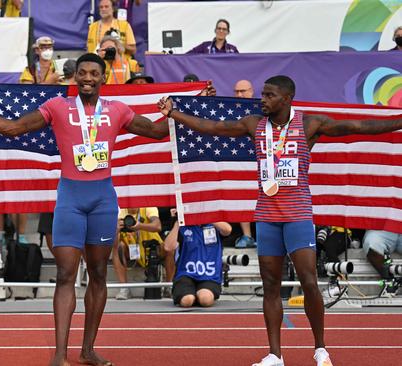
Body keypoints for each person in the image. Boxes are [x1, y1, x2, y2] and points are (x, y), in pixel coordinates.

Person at [158, 75, 402, 366]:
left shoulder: (310, 124)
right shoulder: (254, 125)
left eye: (269, 95)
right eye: (263, 94)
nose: (263, 99)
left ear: (287, 99)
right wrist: (173, 112)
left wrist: (399, 120)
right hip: (267, 215)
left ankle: (320, 348)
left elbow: (360, 127)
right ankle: (275, 354)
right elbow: (213, 127)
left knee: (310, 282)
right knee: (271, 285)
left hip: (298, 214)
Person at [0, 53, 180, 366]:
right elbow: (12, 128)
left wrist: (180, 112)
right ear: (76, 77)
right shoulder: (58, 106)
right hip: (70, 200)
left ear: (103, 78)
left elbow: (156, 132)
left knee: (100, 274)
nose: (87, 78)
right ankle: (59, 356)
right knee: (65, 275)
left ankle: (87, 350)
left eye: (93, 74)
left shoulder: (117, 110)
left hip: (103, 200)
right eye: (83, 73)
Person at [164, 209, 231, 308]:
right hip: (186, 274)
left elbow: (227, 230)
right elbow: (168, 247)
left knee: (206, 300)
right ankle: (189, 294)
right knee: (187, 301)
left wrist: (207, 215)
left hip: (209, 275)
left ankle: (197, 295)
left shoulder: (214, 225)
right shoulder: (183, 227)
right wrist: (178, 221)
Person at [113, 207, 173, 300]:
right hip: (131, 250)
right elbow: (112, 244)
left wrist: (140, 226)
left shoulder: (148, 207)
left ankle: (168, 287)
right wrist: (115, 230)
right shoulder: (119, 211)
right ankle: (124, 288)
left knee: (169, 249)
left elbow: (158, 226)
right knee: (118, 248)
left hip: (152, 246)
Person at [233, 79, 257, 249]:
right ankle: (247, 235)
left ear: (252, 91)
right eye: (236, 91)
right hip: (240, 158)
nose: (239, 95)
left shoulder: (262, 107)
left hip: (263, 157)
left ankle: (266, 235)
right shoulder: (230, 110)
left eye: (243, 91)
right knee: (241, 194)